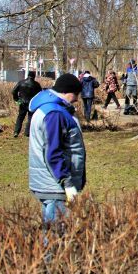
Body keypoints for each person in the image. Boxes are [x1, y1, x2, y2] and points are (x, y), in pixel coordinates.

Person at [28, 73, 86, 225]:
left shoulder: (47, 108)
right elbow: (53, 153)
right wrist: (67, 183)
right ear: (67, 92)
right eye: (76, 94)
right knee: (57, 236)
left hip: (48, 183)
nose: (77, 99)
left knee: (51, 231)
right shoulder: (55, 114)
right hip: (55, 185)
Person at [11, 71, 43, 138]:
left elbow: (13, 91)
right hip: (32, 104)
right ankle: (27, 133)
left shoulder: (21, 82)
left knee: (20, 118)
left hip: (22, 103)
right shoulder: (36, 84)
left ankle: (16, 132)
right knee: (30, 118)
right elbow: (40, 95)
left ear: (28, 75)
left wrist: (17, 100)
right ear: (34, 76)